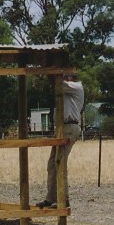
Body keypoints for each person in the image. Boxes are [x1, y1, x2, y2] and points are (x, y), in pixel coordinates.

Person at [36, 73, 84, 209]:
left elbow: (58, 83)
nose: (65, 78)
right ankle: (51, 198)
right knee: (52, 163)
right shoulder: (65, 90)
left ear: (72, 77)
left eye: (66, 76)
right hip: (61, 127)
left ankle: (63, 198)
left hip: (69, 126)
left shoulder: (76, 86)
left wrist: (48, 74)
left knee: (60, 162)